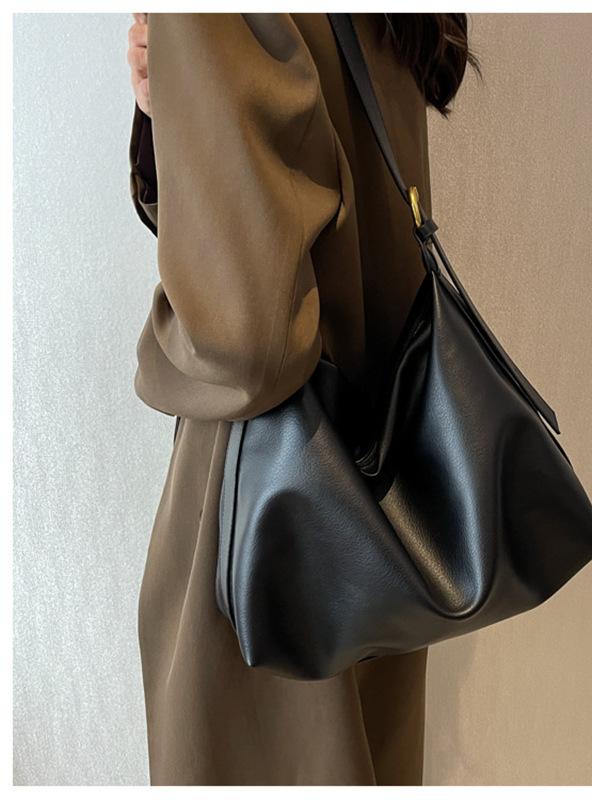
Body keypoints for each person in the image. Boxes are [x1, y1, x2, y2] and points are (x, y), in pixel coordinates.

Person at [126, 12, 479, 786]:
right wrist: (175, 107)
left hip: (257, 548)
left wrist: (153, 357)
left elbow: (248, 345)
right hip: (385, 519)